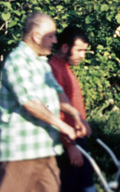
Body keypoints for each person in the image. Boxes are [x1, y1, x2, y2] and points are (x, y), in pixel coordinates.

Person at [0, 11, 86, 192]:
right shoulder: (17, 61)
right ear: (36, 36)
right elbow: (30, 103)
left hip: (45, 150)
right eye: (51, 36)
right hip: (20, 153)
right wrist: (64, 127)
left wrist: (75, 115)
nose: (55, 40)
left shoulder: (42, 63)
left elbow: (58, 93)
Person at [49, 25, 95, 192]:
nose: (83, 56)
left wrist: (82, 121)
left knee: (87, 186)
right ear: (65, 47)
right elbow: (53, 110)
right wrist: (69, 146)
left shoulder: (65, 68)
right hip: (67, 142)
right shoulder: (54, 68)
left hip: (77, 139)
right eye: (79, 50)